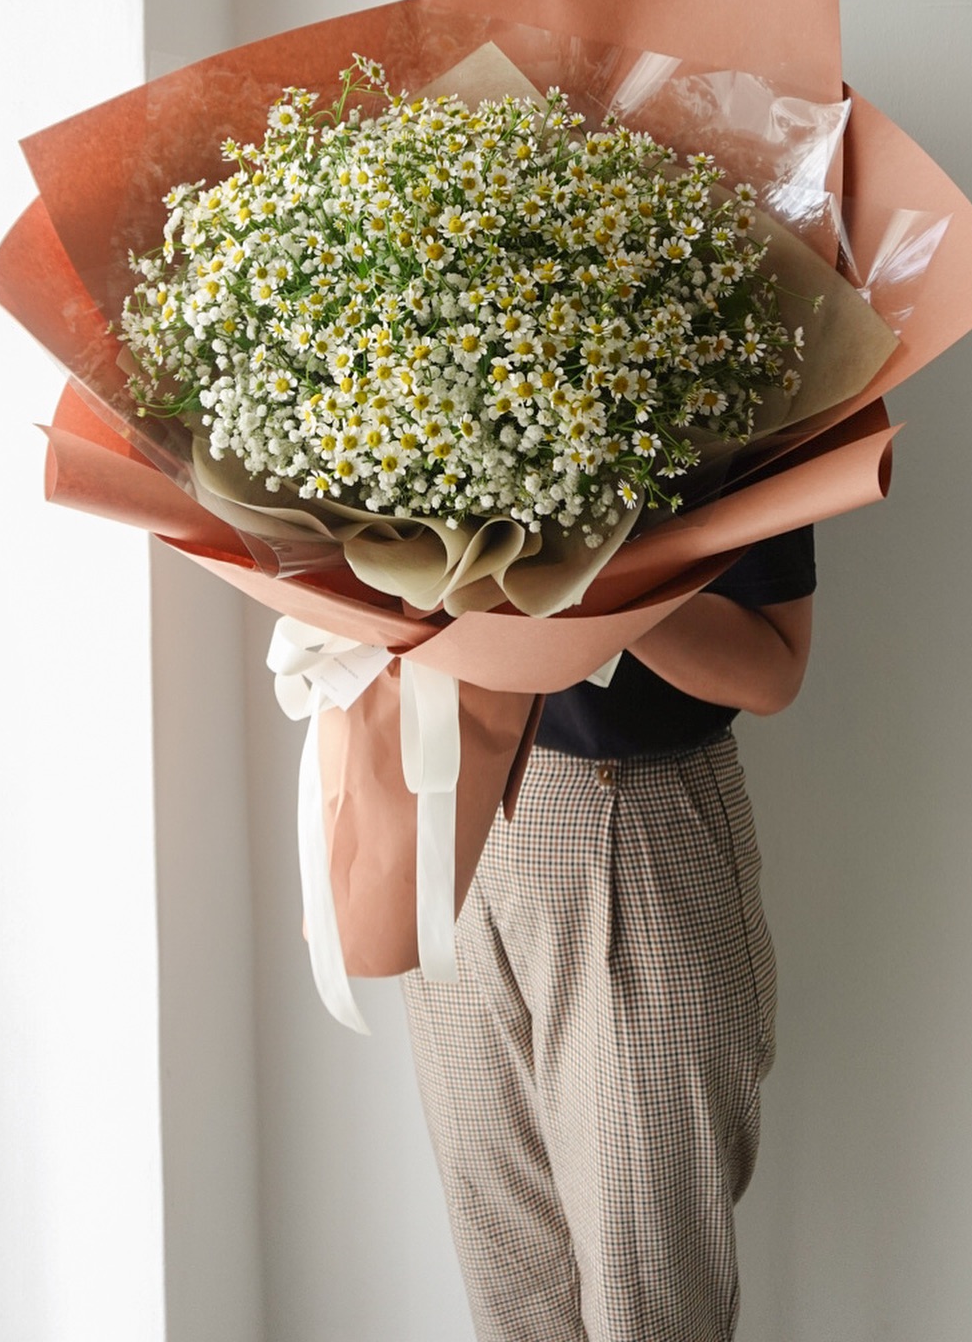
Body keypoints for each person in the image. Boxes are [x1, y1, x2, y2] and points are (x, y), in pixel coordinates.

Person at [402, 525, 815, 1342]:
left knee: (646, 1302)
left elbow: (774, 667)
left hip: (631, 811)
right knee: (510, 1292)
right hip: (451, 792)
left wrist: (577, 580)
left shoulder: (727, 430)